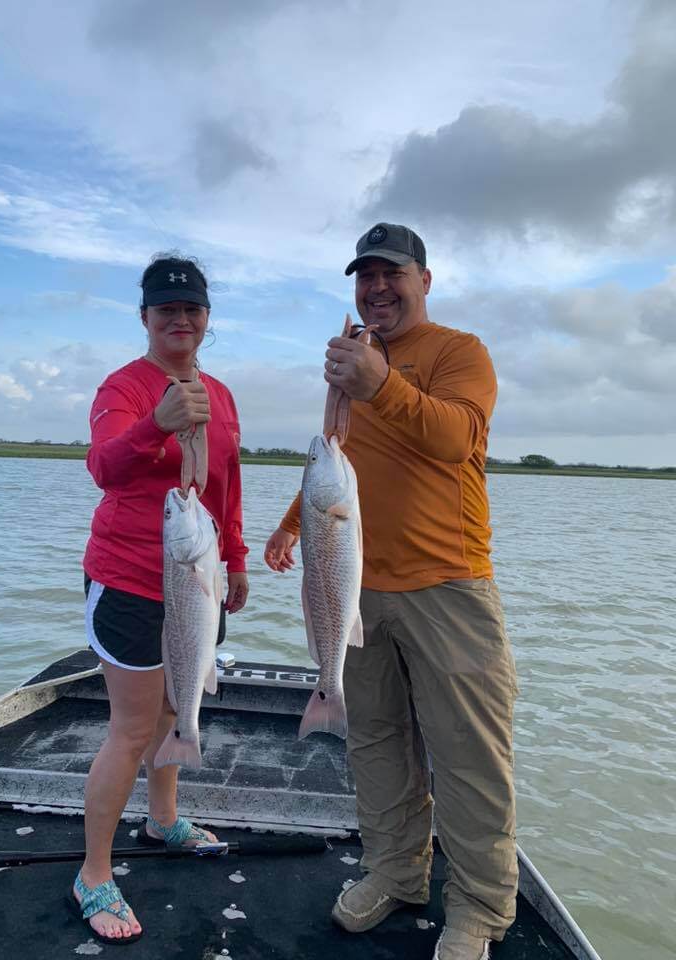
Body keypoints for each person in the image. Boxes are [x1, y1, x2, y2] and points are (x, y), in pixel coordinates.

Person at [264, 224, 517, 960]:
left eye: (392, 273)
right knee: (374, 741)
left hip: (449, 584)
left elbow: (457, 438)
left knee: (469, 755)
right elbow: (339, 466)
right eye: (364, 275)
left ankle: (479, 907)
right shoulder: (351, 365)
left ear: (425, 280)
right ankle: (396, 873)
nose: (377, 287)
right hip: (357, 587)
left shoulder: (458, 353)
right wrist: (288, 525)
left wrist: (382, 383)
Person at [75, 253, 249, 945]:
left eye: (192, 308)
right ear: (145, 317)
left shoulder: (223, 393)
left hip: (199, 579)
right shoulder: (124, 387)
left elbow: (226, 483)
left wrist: (235, 556)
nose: (181, 318)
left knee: (181, 706)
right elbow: (104, 468)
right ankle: (92, 872)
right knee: (133, 727)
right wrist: (157, 421)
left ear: (206, 318)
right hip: (130, 581)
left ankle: (162, 816)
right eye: (167, 308)